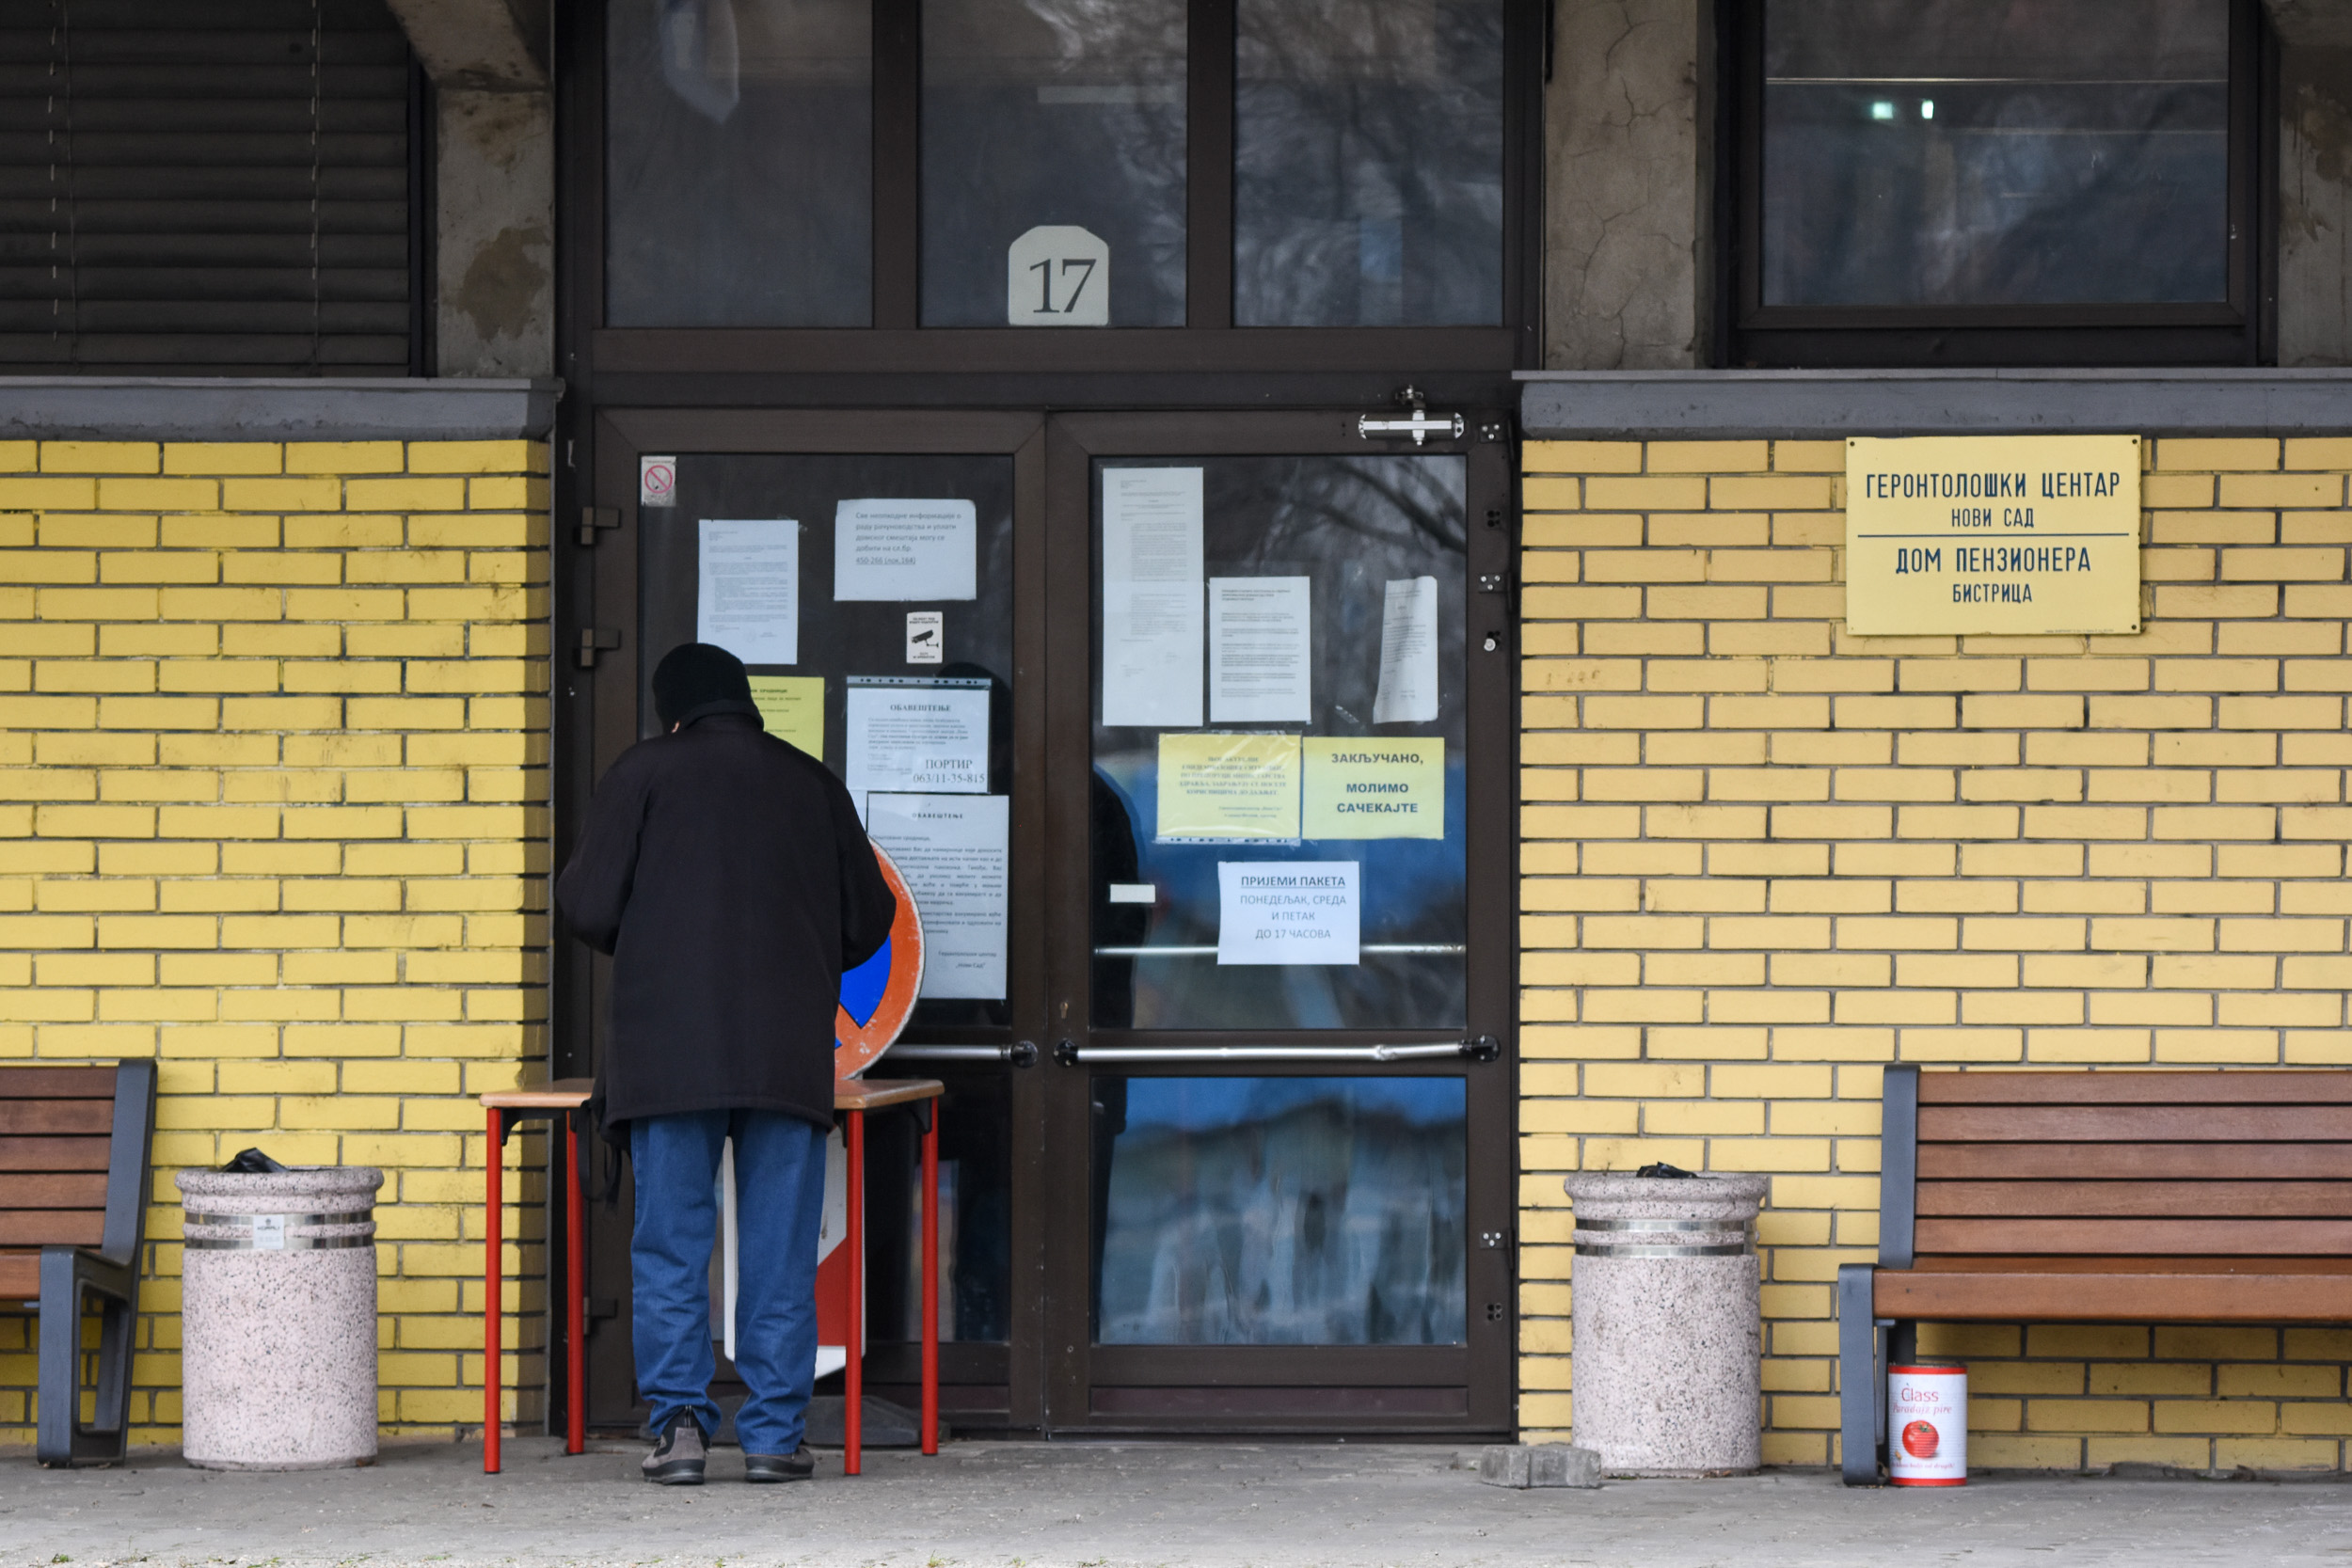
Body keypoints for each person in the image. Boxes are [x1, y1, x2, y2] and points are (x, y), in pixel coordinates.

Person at [556, 642, 896, 1485]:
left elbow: (586, 903)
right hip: (784, 1053)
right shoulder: (811, 781)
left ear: (674, 708)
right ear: (743, 701)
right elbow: (871, 916)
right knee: (780, 1247)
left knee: (672, 1243)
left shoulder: (643, 772)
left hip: (668, 1055)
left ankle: (677, 1429)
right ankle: (776, 1435)